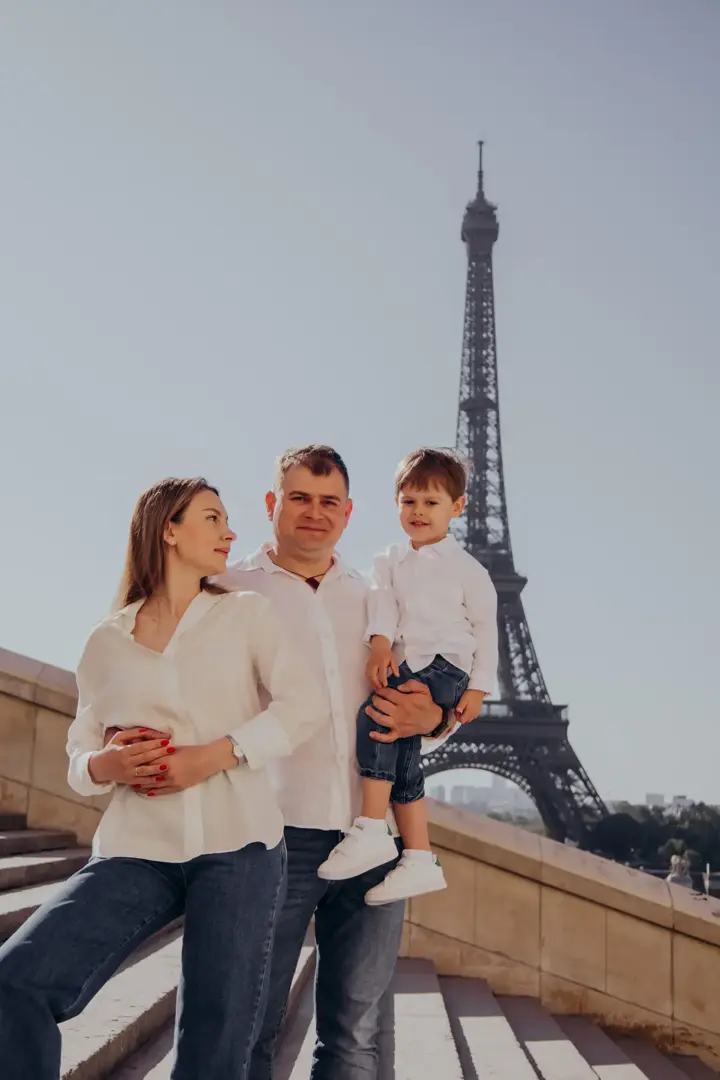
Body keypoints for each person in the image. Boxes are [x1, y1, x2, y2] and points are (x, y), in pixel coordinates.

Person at [0, 477, 326, 1080]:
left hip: (240, 847)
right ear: (168, 530)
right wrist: (108, 764)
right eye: (212, 518)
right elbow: (80, 753)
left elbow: (304, 706)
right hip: (136, 849)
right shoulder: (107, 641)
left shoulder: (246, 615)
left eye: (229, 520)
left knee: (213, 1043)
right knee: (15, 980)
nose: (230, 532)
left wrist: (215, 754)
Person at [215, 445, 455, 1080]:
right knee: (253, 1025)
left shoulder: (380, 598)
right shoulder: (228, 591)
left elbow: (424, 696)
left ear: (348, 513)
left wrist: (433, 719)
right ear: (272, 504)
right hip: (271, 838)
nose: (314, 513)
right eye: (299, 498)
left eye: (328, 502)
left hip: (373, 839)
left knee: (354, 1038)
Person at [317, 448, 498, 905]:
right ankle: (417, 856)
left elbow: (486, 629)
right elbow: (384, 606)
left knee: (378, 716)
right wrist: (379, 642)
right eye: (409, 501)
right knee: (402, 750)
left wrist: (478, 688)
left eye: (431, 503)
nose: (418, 511)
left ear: (458, 508)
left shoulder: (469, 571)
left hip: (447, 665)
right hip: (410, 663)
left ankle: (374, 827)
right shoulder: (389, 562)